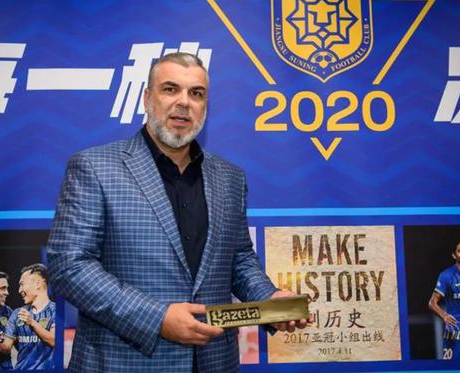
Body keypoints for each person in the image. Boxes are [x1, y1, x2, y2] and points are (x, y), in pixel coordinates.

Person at [47, 52, 309, 372]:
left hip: (214, 362)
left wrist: (270, 299)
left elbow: (238, 258)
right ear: (147, 98)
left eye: (196, 93)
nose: (184, 102)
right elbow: (69, 267)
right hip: (123, 363)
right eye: (170, 89)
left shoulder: (230, 177)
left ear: (205, 106)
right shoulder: (94, 167)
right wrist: (156, 318)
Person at [0, 263, 56, 369]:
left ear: (38, 284)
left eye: (22, 284)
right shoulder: (17, 313)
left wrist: (32, 323)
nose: (19, 290)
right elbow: (6, 348)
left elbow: (54, 341)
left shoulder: (55, 311)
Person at [428, 240, 460, 360]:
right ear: (454, 255)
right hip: (455, 333)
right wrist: (444, 316)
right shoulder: (446, 275)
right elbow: (432, 303)